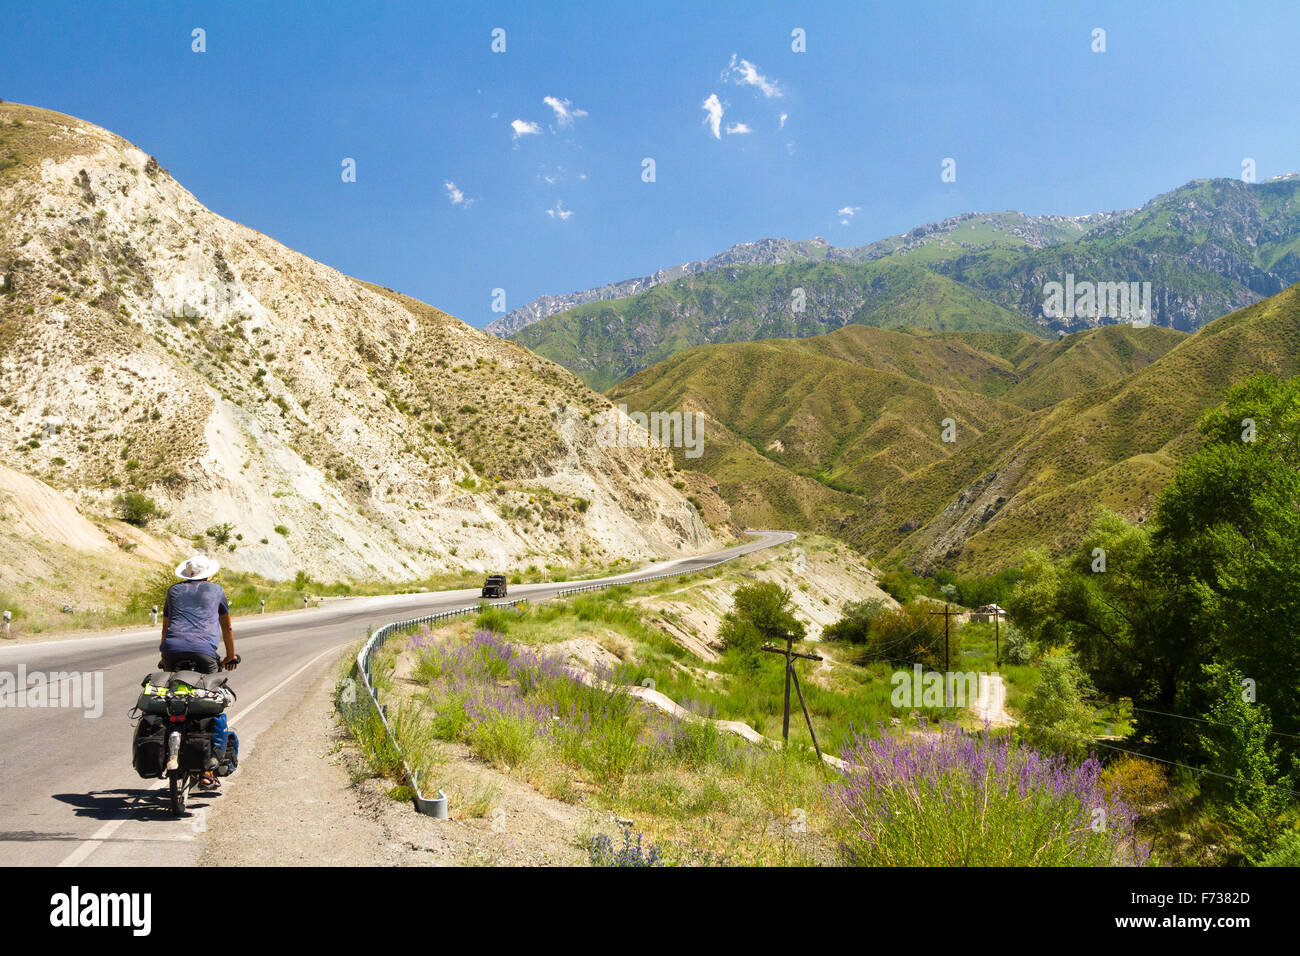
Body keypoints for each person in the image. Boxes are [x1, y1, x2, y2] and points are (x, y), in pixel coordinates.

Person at [159, 554, 238, 787]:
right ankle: (209, 769)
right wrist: (231, 656)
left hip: (171, 651)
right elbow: (227, 626)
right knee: (213, 703)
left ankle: (168, 743)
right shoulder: (216, 590)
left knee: (170, 696)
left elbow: (166, 627)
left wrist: (164, 656)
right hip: (204, 653)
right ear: (208, 574)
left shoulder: (173, 591)